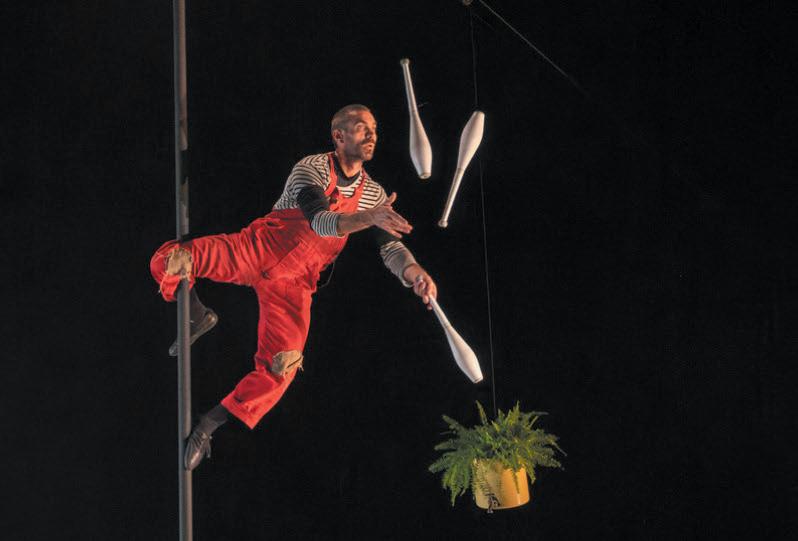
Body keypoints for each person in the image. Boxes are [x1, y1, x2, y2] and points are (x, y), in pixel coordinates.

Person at [150, 104, 437, 470]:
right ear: (338, 136)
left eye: (374, 129)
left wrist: (414, 273)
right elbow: (320, 222)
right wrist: (369, 217)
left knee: (281, 368)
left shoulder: (374, 195)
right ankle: (195, 314)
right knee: (171, 259)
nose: (371, 135)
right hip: (256, 250)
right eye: (361, 127)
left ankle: (209, 425)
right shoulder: (312, 168)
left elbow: (391, 248)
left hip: (295, 285)